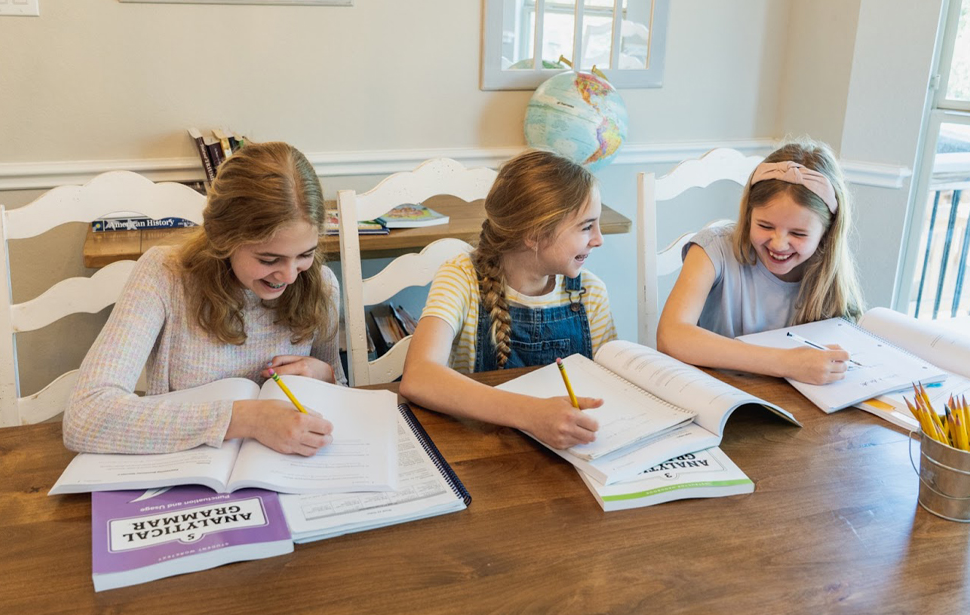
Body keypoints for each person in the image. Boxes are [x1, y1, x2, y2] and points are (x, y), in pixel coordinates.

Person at [64, 141, 344, 455]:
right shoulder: (164, 276)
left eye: (305, 254)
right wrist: (246, 419)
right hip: (182, 475)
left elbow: (344, 400)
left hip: (284, 473)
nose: (290, 276)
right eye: (269, 260)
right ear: (222, 237)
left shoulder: (320, 284)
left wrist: (326, 376)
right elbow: (84, 416)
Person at [400, 151, 617, 450]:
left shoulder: (591, 293)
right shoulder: (462, 278)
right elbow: (419, 376)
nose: (598, 239)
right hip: (481, 451)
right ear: (535, 234)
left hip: (566, 450)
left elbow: (612, 386)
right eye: (586, 226)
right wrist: (529, 414)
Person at [657, 138, 865, 385]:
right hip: (716, 396)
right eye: (765, 226)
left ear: (826, 234)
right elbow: (670, 335)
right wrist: (787, 363)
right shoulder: (713, 249)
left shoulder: (827, 276)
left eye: (798, 234)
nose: (778, 244)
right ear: (748, 215)